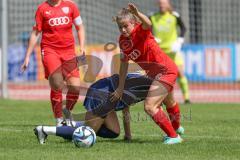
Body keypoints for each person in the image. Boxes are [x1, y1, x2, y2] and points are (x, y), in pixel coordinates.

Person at [111, 3, 184, 144]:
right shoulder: (122, 41)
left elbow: (148, 23)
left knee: (150, 106)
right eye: (120, 27)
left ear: (133, 23)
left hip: (165, 70)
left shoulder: (141, 30)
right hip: (154, 74)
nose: (123, 29)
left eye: (126, 26)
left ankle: (174, 137)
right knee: (169, 101)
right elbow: (124, 64)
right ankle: (177, 128)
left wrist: (137, 13)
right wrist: (120, 88)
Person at [34, 73, 153, 144]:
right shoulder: (142, 85)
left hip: (107, 98)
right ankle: (44, 130)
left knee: (113, 132)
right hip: (100, 95)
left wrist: (128, 136)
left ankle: (71, 125)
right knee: (87, 133)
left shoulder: (146, 86)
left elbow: (125, 108)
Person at [21, 0, 85, 126]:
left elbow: (80, 27)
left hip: (69, 52)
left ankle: (67, 111)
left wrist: (82, 47)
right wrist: (27, 56)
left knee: (75, 87)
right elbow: (36, 32)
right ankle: (59, 119)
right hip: (50, 50)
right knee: (57, 83)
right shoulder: (42, 9)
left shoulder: (71, 6)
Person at [149, 0, 190, 104]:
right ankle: (161, 98)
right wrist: (152, 38)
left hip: (173, 50)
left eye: (164, 3)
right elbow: (145, 29)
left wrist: (179, 41)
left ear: (168, 4)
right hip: (160, 51)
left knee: (180, 73)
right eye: (160, 3)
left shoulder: (174, 16)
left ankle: (186, 98)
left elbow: (184, 28)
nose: (162, 5)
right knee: (159, 76)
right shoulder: (153, 16)